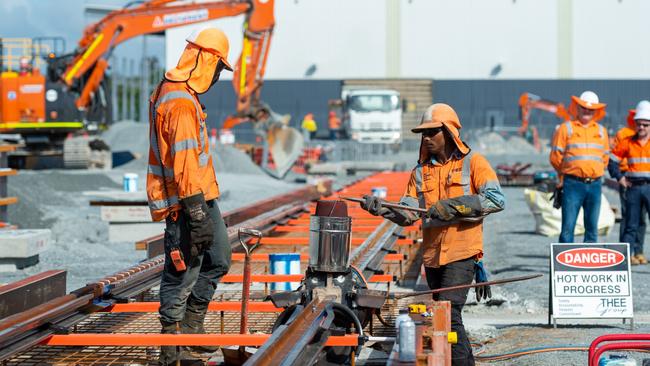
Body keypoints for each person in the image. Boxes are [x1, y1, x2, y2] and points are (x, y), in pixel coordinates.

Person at [359, 104, 505, 366]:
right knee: (442, 316)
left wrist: (452, 207)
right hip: (433, 257)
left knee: (448, 315)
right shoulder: (419, 172)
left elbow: (495, 199)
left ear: (449, 133)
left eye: (432, 132)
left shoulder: (474, 163)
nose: (426, 138)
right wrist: (383, 209)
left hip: (462, 252)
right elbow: (409, 213)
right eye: (422, 133)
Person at [146, 27, 233, 365]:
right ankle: (172, 350)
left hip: (200, 196)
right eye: (218, 69)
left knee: (218, 258)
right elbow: (182, 162)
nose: (217, 76)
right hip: (185, 201)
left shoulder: (181, 94)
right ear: (205, 61)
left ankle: (192, 328)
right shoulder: (180, 102)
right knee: (183, 272)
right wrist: (195, 215)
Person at [550, 91, 609, 243]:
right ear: (577, 108)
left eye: (590, 109)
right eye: (583, 107)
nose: (587, 111)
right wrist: (563, 176)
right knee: (568, 228)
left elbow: (605, 158)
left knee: (592, 229)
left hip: (595, 185)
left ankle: (588, 266)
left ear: (596, 111)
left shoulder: (602, 132)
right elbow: (555, 157)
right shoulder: (565, 128)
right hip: (572, 184)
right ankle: (564, 266)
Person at [609, 100, 650, 265]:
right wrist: (620, 177)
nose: (641, 128)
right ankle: (625, 258)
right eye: (639, 124)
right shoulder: (627, 143)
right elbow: (612, 161)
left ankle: (639, 252)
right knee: (631, 224)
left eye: (645, 125)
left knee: (642, 222)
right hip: (633, 188)